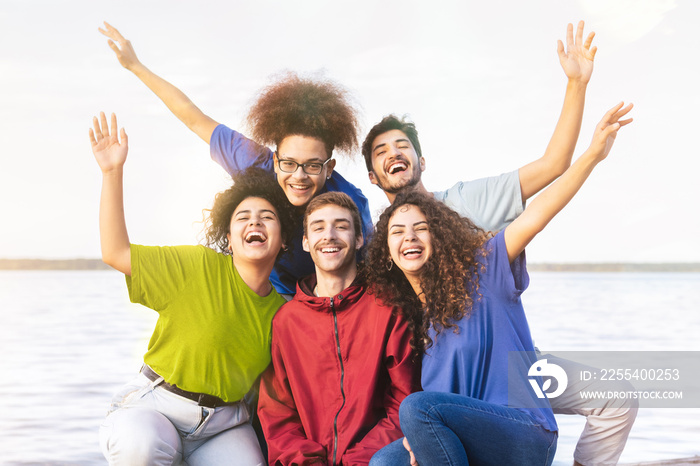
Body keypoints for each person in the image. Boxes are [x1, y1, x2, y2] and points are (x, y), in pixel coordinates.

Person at [362, 22, 638, 466]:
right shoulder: (394, 278)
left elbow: (549, 180)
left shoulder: (472, 218)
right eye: (381, 150)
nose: (410, 238)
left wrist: (579, 100)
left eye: (402, 144)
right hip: (460, 381)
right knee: (390, 456)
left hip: (506, 360)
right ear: (373, 177)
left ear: (420, 159)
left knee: (613, 397)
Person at [99, 22, 372, 296]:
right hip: (271, 296)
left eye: (312, 166)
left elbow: (371, 270)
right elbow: (193, 117)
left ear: (329, 168)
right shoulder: (254, 164)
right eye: (289, 163)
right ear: (275, 161)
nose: (298, 176)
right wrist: (136, 66)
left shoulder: (349, 202)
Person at [90, 112, 296, 465]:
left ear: (283, 242)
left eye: (267, 216)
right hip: (158, 408)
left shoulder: (283, 312)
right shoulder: (196, 266)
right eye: (243, 217)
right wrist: (112, 173)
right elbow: (115, 252)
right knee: (140, 448)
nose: (255, 221)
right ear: (229, 239)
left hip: (224, 426)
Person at [257, 192, 421, 465]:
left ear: (359, 239)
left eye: (341, 226)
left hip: (374, 460)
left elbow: (404, 399)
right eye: (318, 227)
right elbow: (278, 412)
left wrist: (357, 461)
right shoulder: (286, 321)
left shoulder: (389, 307)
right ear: (306, 242)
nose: (329, 235)